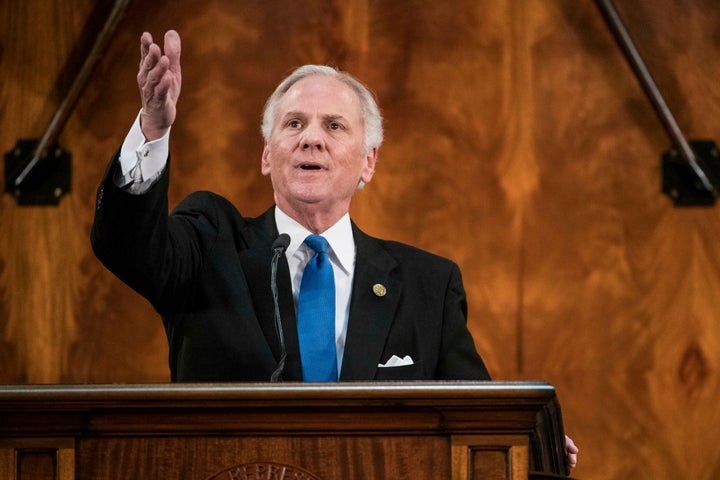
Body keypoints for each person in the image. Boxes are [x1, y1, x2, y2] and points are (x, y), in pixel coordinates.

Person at [90, 30, 577, 467]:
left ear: (368, 162)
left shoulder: (428, 284)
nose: (312, 140)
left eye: (335, 126)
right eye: (294, 124)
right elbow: (128, 246)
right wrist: (153, 130)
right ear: (267, 154)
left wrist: (530, 442)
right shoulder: (210, 243)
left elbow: (477, 419)